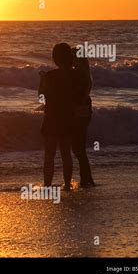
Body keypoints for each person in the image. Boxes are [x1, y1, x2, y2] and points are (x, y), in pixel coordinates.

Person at [38, 43, 74, 190]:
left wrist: (41, 79)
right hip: (67, 117)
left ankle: (47, 184)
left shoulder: (50, 76)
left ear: (55, 58)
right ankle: (67, 184)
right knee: (66, 153)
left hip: (51, 117)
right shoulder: (73, 75)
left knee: (49, 155)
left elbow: (41, 96)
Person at [71, 48, 95, 187]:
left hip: (80, 111)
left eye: (74, 57)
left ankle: (86, 178)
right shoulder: (85, 74)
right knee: (79, 147)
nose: (72, 60)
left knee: (78, 147)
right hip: (85, 111)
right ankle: (86, 178)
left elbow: (78, 95)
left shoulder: (79, 74)